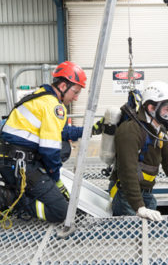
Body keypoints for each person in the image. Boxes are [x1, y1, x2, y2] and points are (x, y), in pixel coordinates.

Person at [0, 61, 101, 223]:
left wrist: (92, 130)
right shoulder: (53, 106)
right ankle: (10, 200)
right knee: (61, 212)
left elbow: (61, 132)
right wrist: (56, 180)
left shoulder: (42, 96)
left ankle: (24, 191)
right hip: (20, 164)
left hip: (12, 160)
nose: (75, 98)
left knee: (64, 147)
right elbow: (50, 149)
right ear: (62, 86)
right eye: (75, 92)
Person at [108, 81, 168, 221]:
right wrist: (139, 207)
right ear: (151, 107)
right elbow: (127, 171)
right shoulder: (130, 131)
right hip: (126, 195)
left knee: (152, 227)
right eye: (166, 109)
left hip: (145, 193)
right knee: (132, 235)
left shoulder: (157, 128)